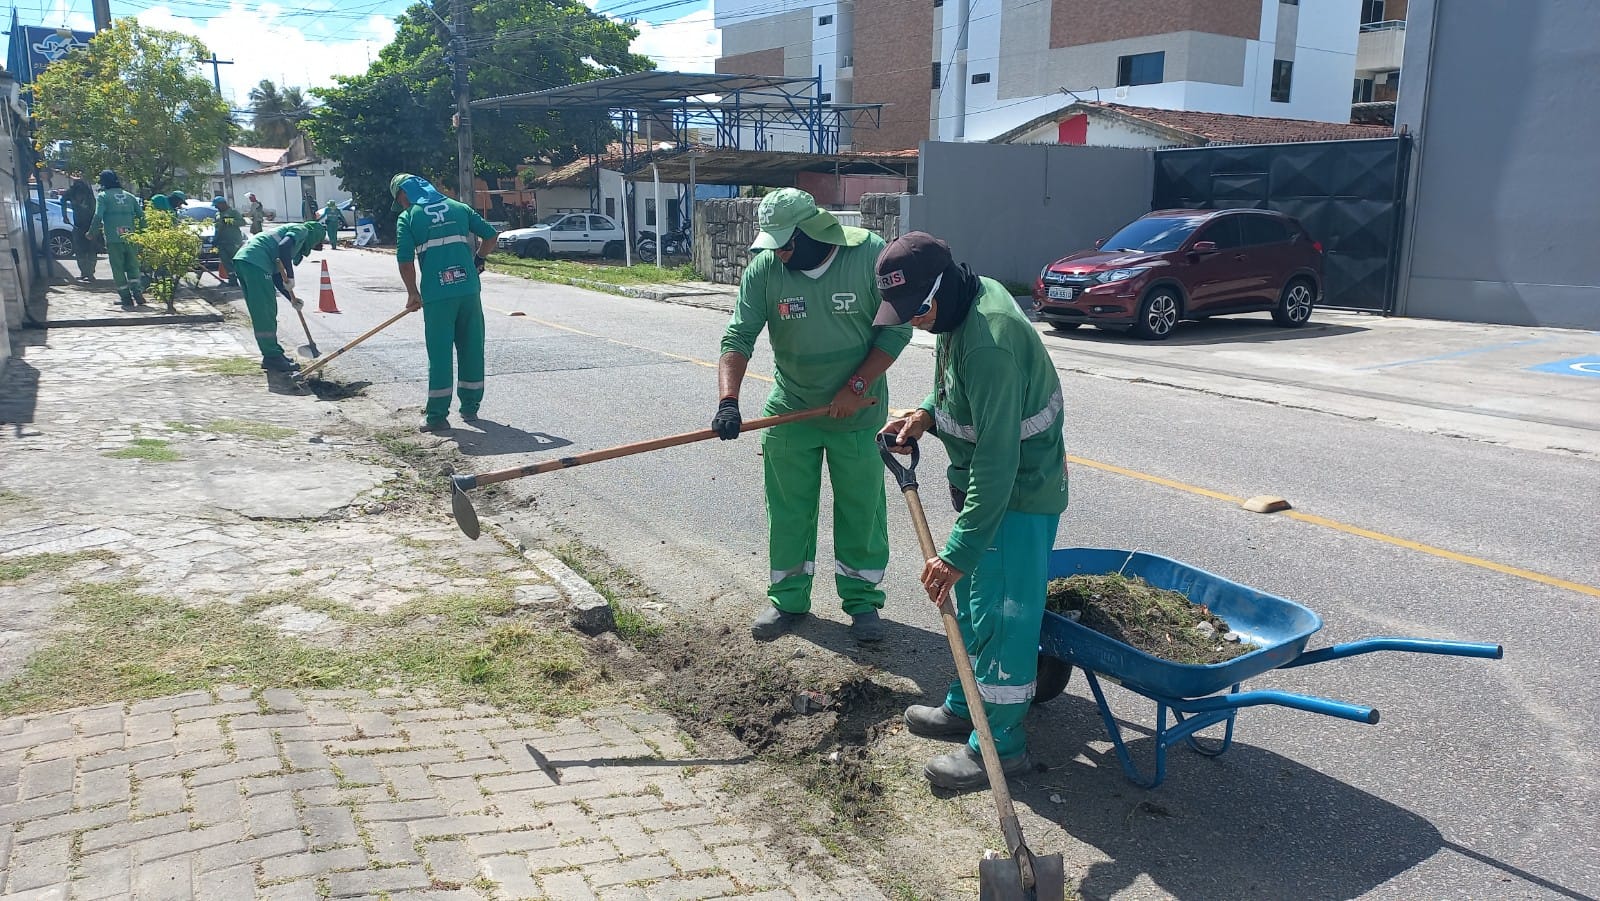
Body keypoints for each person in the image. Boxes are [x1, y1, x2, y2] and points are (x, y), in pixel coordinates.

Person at [873, 232, 1068, 791]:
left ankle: (999, 746)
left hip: (1018, 496)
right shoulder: (956, 313)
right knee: (982, 607)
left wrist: (956, 552)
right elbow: (955, 389)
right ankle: (967, 706)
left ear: (943, 290)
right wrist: (926, 416)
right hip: (987, 494)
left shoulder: (991, 340)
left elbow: (997, 464)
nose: (912, 323)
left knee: (1005, 617)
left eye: (917, 312)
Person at [715, 188, 911, 643]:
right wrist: (729, 401)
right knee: (788, 509)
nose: (780, 252)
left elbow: (896, 329)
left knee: (861, 509)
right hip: (791, 410)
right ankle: (788, 599)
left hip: (858, 411)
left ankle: (862, 602)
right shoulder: (765, 268)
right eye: (774, 244)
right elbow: (739, 335)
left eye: (786, 242)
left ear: (811, 231)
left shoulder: (867, 256)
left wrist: (856, 386)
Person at [391, 173, 496, 433]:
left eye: (399, 199)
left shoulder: (408, 217)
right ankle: (470, 408)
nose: (401, 204)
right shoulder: (460, 208)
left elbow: (404, 260)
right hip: (468, 290)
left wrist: (412, 293)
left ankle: (437, 416)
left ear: (404, 193)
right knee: (472, 347)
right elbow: (491, 236)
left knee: (439, 355)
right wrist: (478, 259)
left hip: (437, 294)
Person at [232, 220, 326, 372]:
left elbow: (277, 277)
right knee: (265, 311)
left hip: (247, 261)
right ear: (315, 235)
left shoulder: (288, 232)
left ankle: (272, 354)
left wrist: (292, 299)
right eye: (317, 242)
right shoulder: (302, 230)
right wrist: (290, 275)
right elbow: (284, 246)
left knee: (262, 310)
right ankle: (272, 356)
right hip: (256, 262)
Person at [87, 169, 147, 309]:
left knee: (118, 268)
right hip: (131, 238)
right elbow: (142, 217)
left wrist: (91, 232)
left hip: (114, 239)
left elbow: (98, 216)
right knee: (133, 266)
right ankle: (137, 293)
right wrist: (143, 235)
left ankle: (126, 298)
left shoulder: (103, 197)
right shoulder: (130, 197)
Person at [63, 171, 98, 282]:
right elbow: (62, 200)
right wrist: (64, 216)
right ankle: (84, 272)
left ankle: (90, 273)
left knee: (91, 250)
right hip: (78, 226)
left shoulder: (89, 194)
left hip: (90, 226)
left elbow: (95, 208)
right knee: (80, 251)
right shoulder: (71, 193)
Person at [212, 196, 245, 287]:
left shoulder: (233, 212)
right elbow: (217, 228)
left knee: (237, 262)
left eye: (217, 205)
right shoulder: (217, 214)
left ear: (223, 204)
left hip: (233, 241)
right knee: (226, 262)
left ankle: (244, 280)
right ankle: (232, 280)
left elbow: (242, 222)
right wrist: (215, 240)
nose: (216, 207)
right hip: (221, 241)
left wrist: (229, 221)